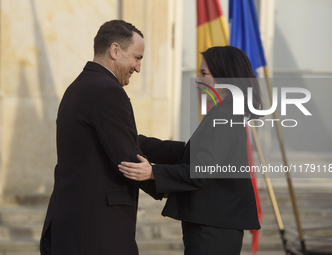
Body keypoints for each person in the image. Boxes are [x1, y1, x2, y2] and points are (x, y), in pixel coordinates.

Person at [119, 46, 262, 255]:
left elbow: (201, 171)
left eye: (204, 73)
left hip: (212, 230)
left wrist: (152, 172)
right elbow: (188, 151)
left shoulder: (224, 116)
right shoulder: (227, 113)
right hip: (215, 226)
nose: (197, 79)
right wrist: (133, 140)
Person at [40, 20, 163, 255]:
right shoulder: (108, 91)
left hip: (72, 228)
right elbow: (128, 159)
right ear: (115, 51)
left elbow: (127, 141)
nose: (138, 68)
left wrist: (184, 150)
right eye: (137, 58)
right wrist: (177, 182)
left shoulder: (78, 87)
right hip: (97, 234)